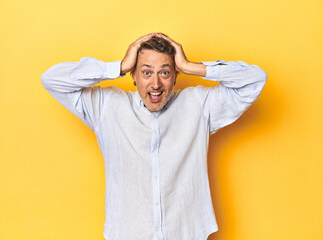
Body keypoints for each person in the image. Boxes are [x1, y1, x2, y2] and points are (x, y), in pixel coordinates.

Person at [41, 32, 267, 240]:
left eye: (165, 72)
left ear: (176, 75)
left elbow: (256, 79)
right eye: (146, 72)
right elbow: (51, 79)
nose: (156, 84)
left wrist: (191, 66)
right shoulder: (106, 106)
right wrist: (117, 67)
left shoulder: (199, 105)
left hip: (186, 232)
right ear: (133, 76)